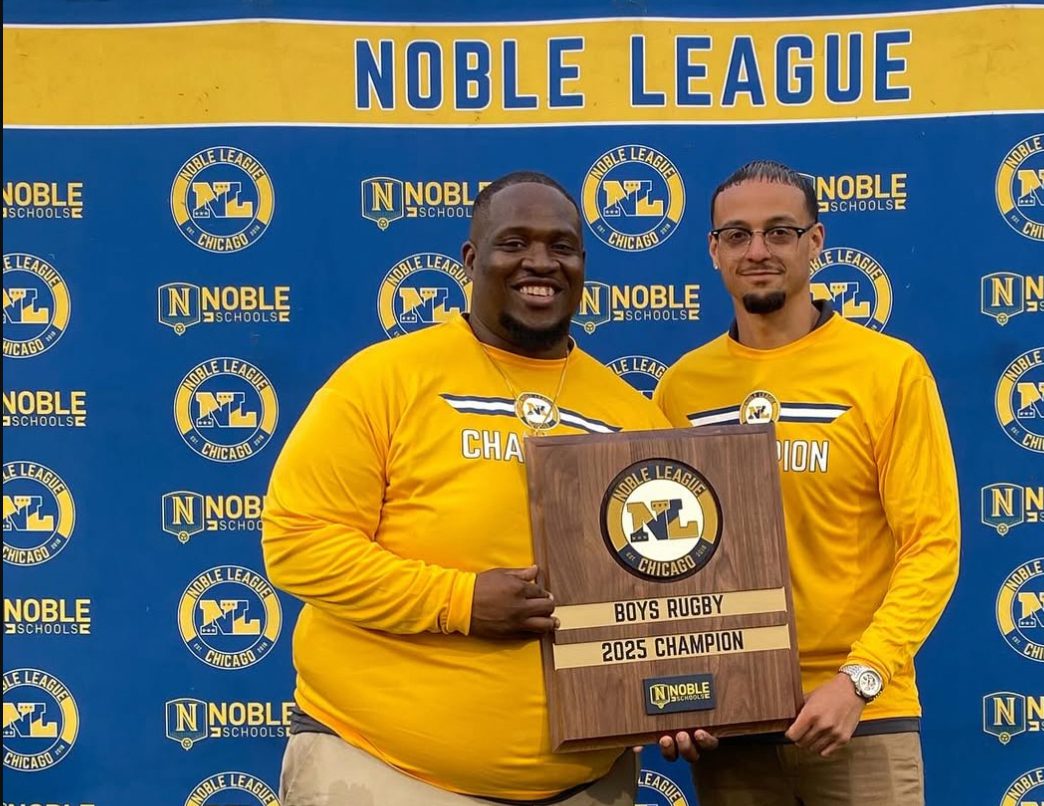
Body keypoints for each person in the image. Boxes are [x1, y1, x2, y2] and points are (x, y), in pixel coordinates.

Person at [261, 171, 670, 805]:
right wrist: (460, 600)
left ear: (583, 264)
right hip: (383, 773)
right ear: (472, 260)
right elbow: (298, 544)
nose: (540, 261)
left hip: (586, 785)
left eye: (561, 245)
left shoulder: (631, 414)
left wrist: (684, 689)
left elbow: (668, 587)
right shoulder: (381, 380)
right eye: (514, 243)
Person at [651, 160, 960, 805]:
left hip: (858, 718)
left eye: (779, 232)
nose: (757, 251)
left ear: (814, 243)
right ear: (714, 251)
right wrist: (673, 687)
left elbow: (930, 545)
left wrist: (861, 679)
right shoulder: (683, 387)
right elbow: (662, 562)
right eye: (737, 235)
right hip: (731, 717)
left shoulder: (888, 370)